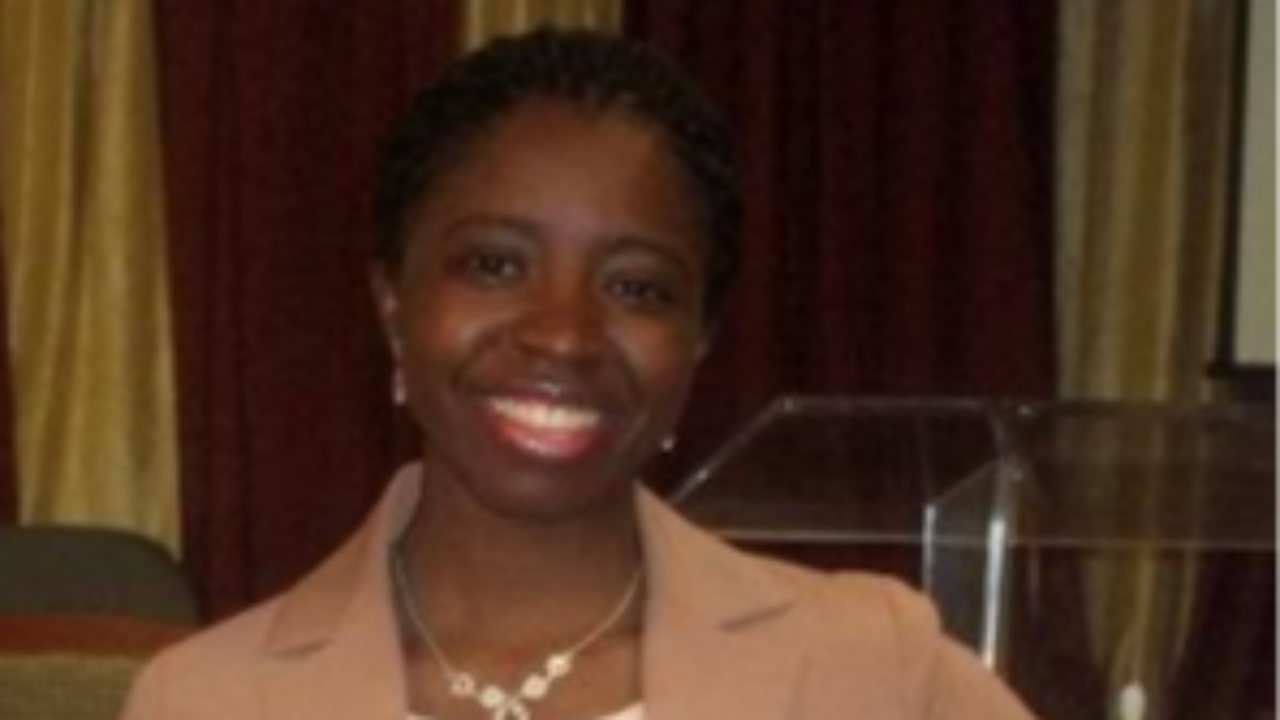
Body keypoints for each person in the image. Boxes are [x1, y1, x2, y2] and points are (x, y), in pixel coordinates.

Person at [122, 27, 1035, 720]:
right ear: (392, 302)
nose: (564, 335)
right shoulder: (206, 700)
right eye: (494, 265)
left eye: (637, 287)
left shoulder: (873, 671)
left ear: (699, 338)